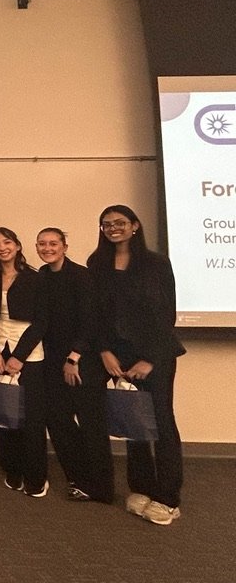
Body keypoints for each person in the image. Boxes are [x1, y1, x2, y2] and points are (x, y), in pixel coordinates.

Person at [88, 205, 185, 526]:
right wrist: (104, 351)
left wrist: (151, 359)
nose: (113, 228)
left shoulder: (156, 263)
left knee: (161, 423)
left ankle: (168, 499)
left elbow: (166, 314)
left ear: (135, 225)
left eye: (119, 223)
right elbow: (95, 314)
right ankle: (142, 488)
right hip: (117, 355)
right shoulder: (97, 263)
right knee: (133, 422)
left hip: (155, 355)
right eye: (106, 224)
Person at [34, 227, 114, 503]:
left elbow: (91, 320)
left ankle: (102, 489)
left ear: (64, 247)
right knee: (57, 420)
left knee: (92, 425)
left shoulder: (82, 276)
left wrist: (74, 357)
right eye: (42, 244)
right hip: (52, 361)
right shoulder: (42, 276)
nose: (47, 248)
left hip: (83, 361)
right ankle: (79, 479)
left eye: (53, 243)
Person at [0, 227, 48, 497]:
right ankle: (12, 468)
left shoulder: (35, 278)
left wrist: (19, 357)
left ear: (18, 246)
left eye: (7, 242)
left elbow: (42, 322)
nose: (2, 248)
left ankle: (36, 475)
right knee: (4, 414)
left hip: (29, 352)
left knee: (31, 417)